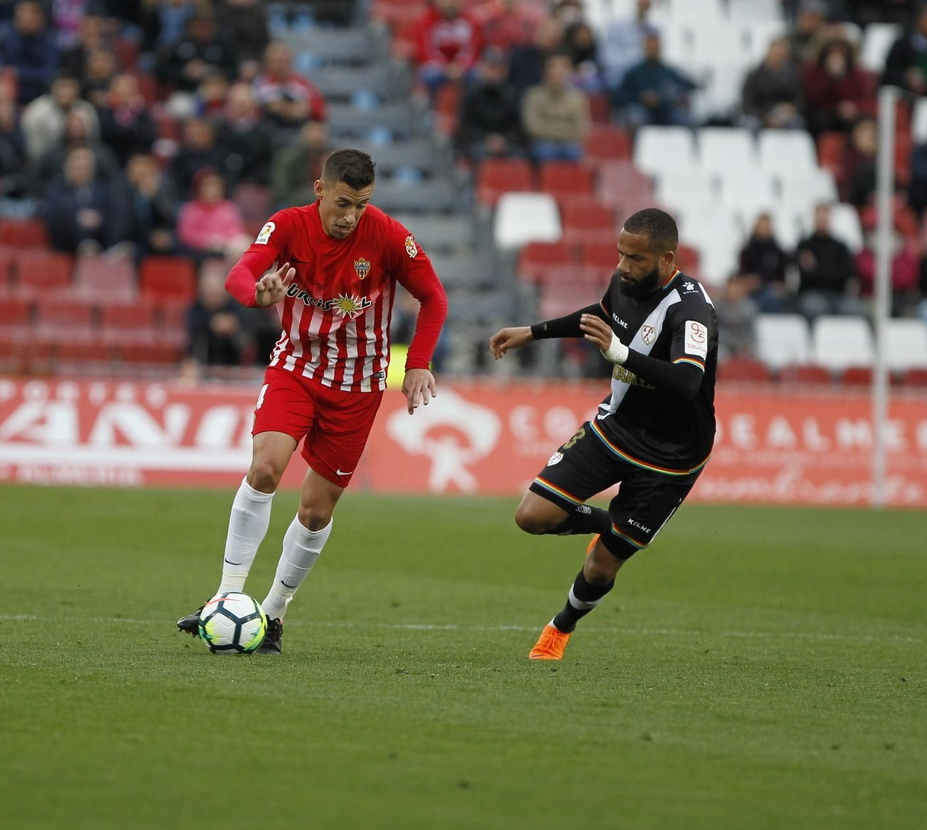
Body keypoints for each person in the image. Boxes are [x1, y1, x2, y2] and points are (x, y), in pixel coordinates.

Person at [174, 150, 448, 654]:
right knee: (265, 471)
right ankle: (226, 598)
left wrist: (418, 364)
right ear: (320, 190)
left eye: (361, 205)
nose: (350, 216)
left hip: (359, 387)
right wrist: (257, 293)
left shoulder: (388, 235)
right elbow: (243, 271)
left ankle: (273, 615)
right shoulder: (287, 225)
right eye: (342, 203)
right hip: (296, 368)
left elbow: (434, 297)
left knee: (317, 511)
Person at [487, 208, 716, 660]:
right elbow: (603, 315)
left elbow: (688, 380)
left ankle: (560, 627)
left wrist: (620, 353)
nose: (623, 267)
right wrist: (533, 332)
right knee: (531, 516)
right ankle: (610, 525)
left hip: (672, 456)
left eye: (635, 259)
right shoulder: (624, 281)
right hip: (616, 428)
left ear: (667, 259)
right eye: (620, 254)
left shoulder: (690, 310)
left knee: (601, 564)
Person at [794, 204, 864, 318]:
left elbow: (849, 272)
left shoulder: (840, 246)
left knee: (856, 311)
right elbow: (806, 275)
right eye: (819, 218)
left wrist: (817, 268)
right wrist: (831, 270)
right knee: (815, 308)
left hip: (838, 295)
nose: (822, 221)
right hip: (813, 293)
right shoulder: (805, 245)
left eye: (825, 218)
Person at [614, 31, 696, 127]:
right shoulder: (634, 72)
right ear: (645, 48)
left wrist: (663, 98)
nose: (653, 50)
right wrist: (641, 98)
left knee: (687, 119)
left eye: (656, 48)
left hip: (666, 113)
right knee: (635, 117)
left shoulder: (669, 72)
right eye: (650, 48)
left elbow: (688, 86)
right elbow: (619, 96)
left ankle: (693, 142)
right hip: (642, 111)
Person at [521, 53, 589, 161]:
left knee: (574, 152)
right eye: (554, 67)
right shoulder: (533, 95)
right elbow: (532, 127)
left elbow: (581, 129)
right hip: (543, 143)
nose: (558, 71)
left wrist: (551, 128)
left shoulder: (577, 97)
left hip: (569, 144)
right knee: (545, 151)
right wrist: (563, 129)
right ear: (545, 71)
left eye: (563, 67)